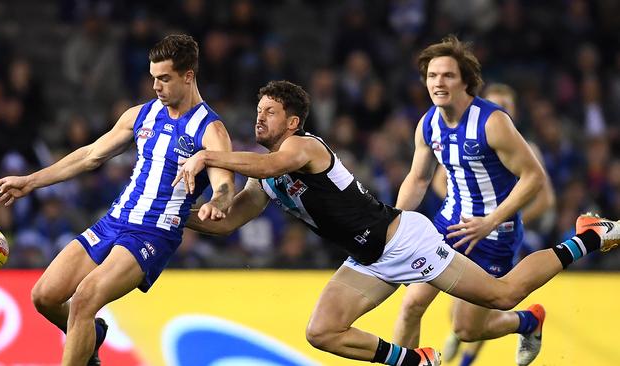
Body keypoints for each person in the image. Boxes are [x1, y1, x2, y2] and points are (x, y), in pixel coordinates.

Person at [175, 79, 619, 366]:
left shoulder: (302, 147)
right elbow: (226, 224)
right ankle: (418, 361)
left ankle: (587, 236)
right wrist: (175, 215)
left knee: (504, 296)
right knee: (322, 332)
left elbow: (271, 166)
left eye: (269, 111)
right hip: (367, 259)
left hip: (405, 243)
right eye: (258, 110)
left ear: (292, 121)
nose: (259, 116)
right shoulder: (267, 179)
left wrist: (206, 156)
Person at [0, 34, 234, 365]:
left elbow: (224, 183)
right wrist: (31, 181)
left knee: (85, 298)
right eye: (153, 78)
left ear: (188, 75)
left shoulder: (211, 130)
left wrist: (217, 203)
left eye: (164, 78)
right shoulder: (142, 115)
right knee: (44, 296)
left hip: (153, 233)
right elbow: (89, 156)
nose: (156, 86)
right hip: (116, 220)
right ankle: (93, 336)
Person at [393, 77, 556, 366]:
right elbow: (437, 180)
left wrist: (499, 216)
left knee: (468, 326)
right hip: (453, 228)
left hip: (498, 234)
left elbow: (544, 198)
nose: (500, 110)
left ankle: (526, 322)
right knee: (412, 304)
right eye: (495, 104)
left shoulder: (525, 147)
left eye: (506, 105)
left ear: (515, 111)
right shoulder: (458, 132)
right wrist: (466, 203)